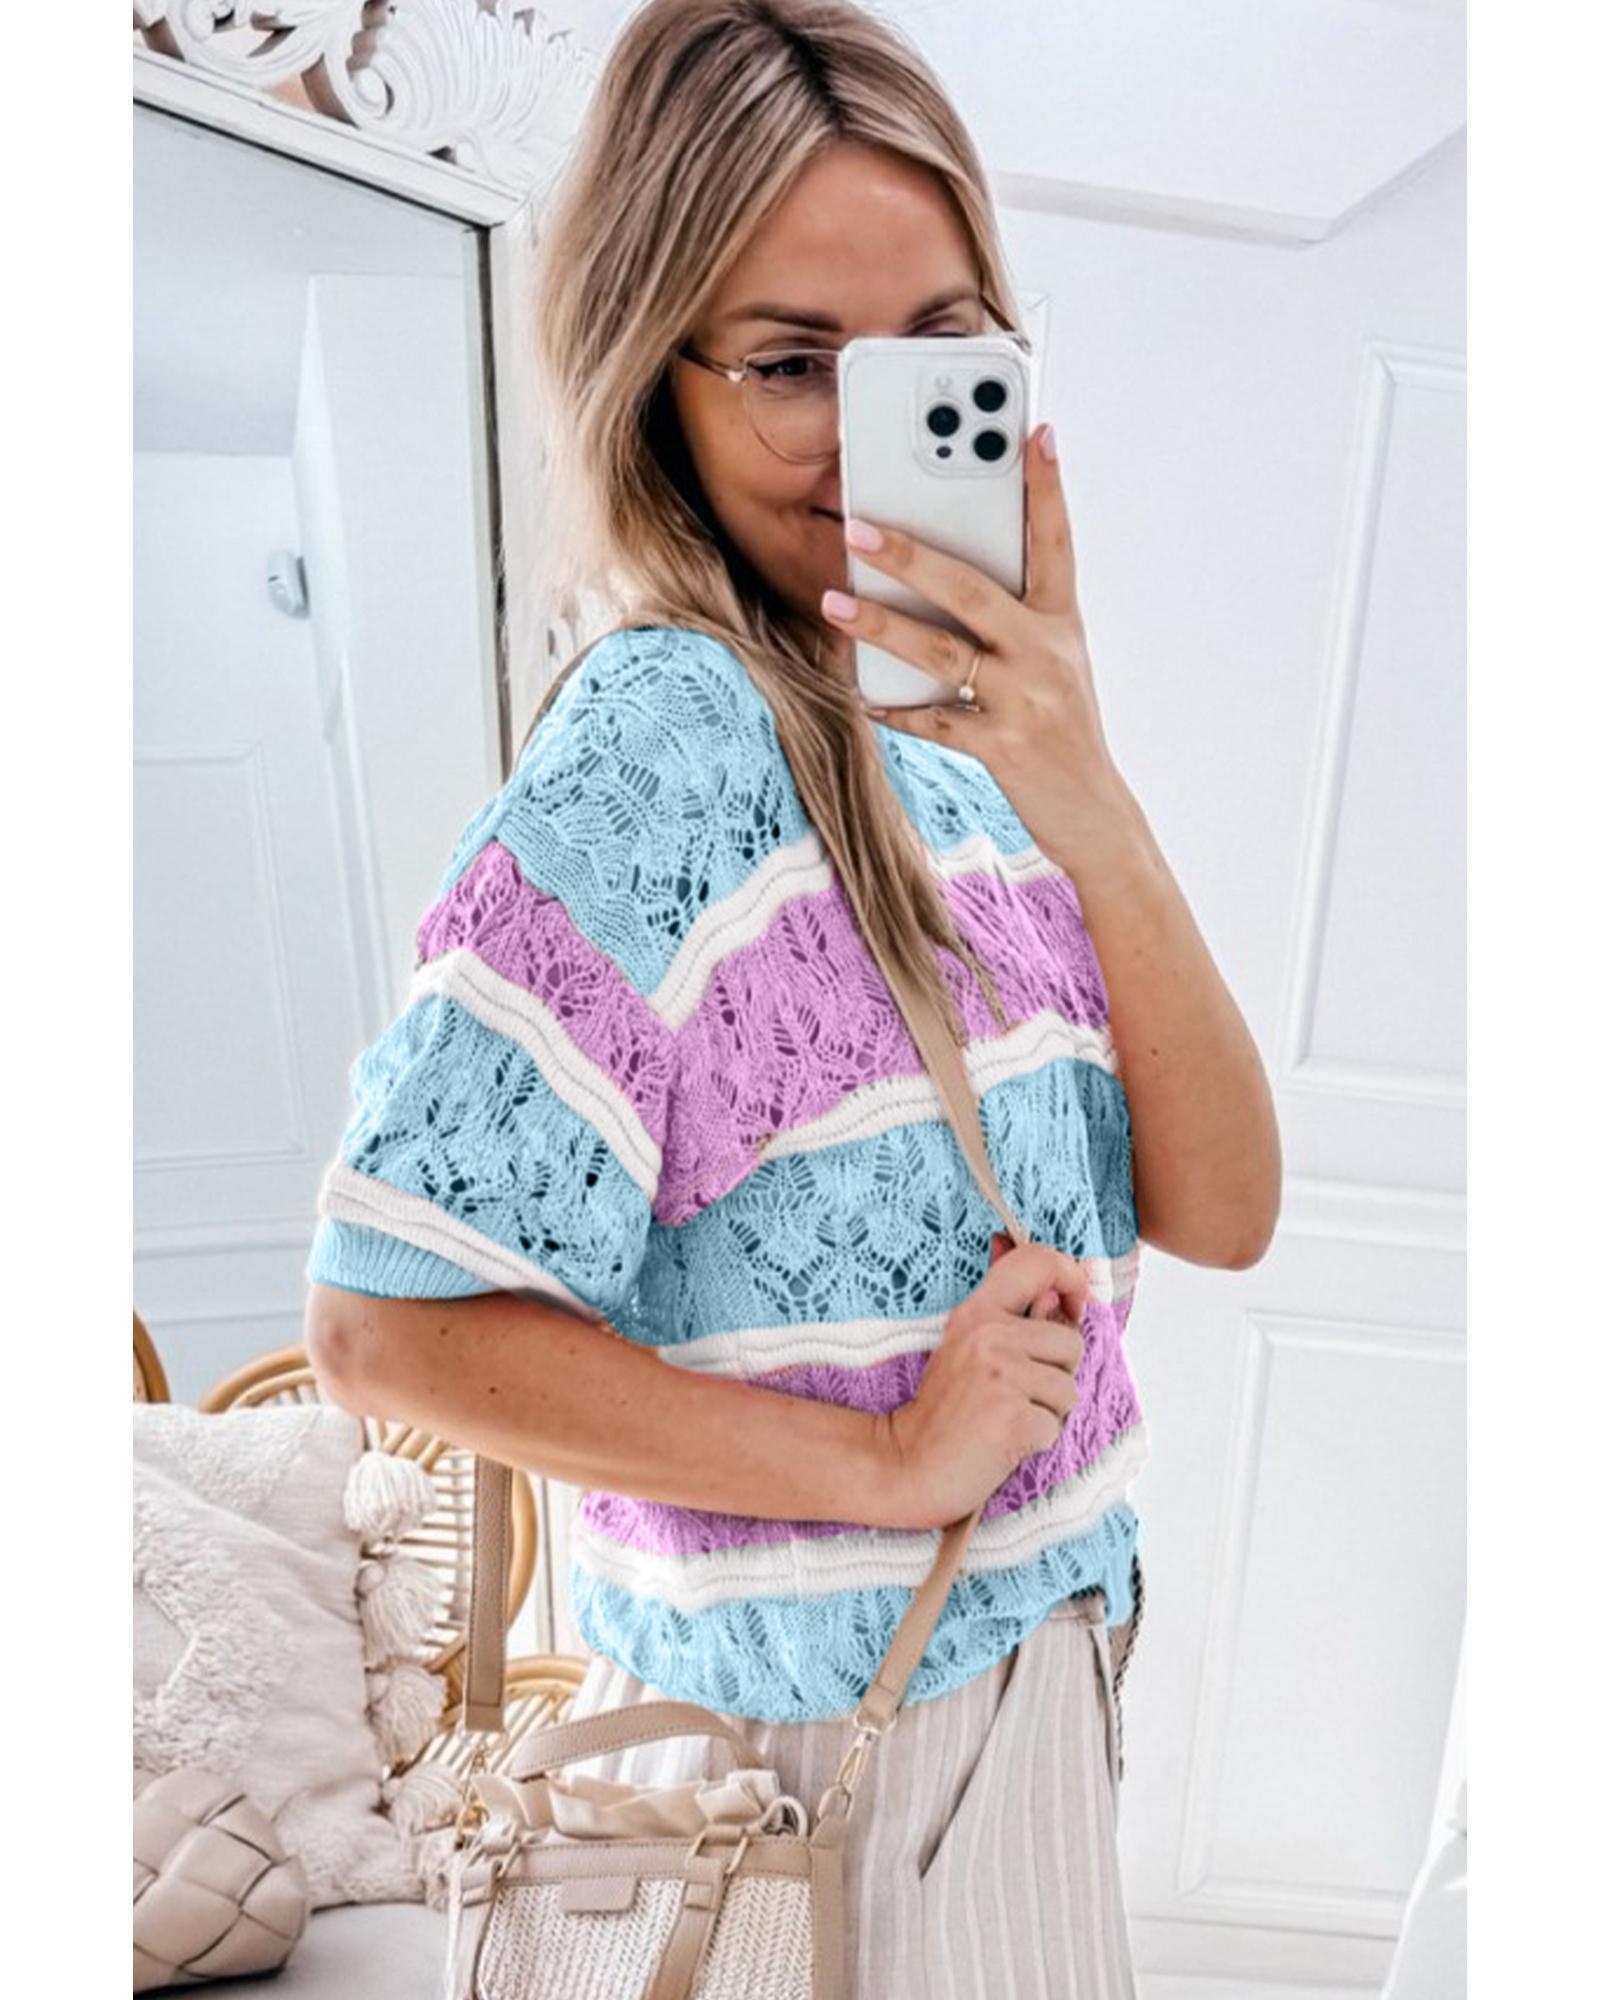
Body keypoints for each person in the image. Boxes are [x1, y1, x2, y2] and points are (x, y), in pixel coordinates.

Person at [303, 4, 1280, 1993]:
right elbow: (380, 1323)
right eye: (786, 363)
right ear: (648, 372)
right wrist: (893, 1463)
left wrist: (1081, 774)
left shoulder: (965, 751)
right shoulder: (668, 737)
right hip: (813, 1761)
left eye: (933, 349)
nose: (865, 430)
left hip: (1015, 1699)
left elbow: (1223, 1207)